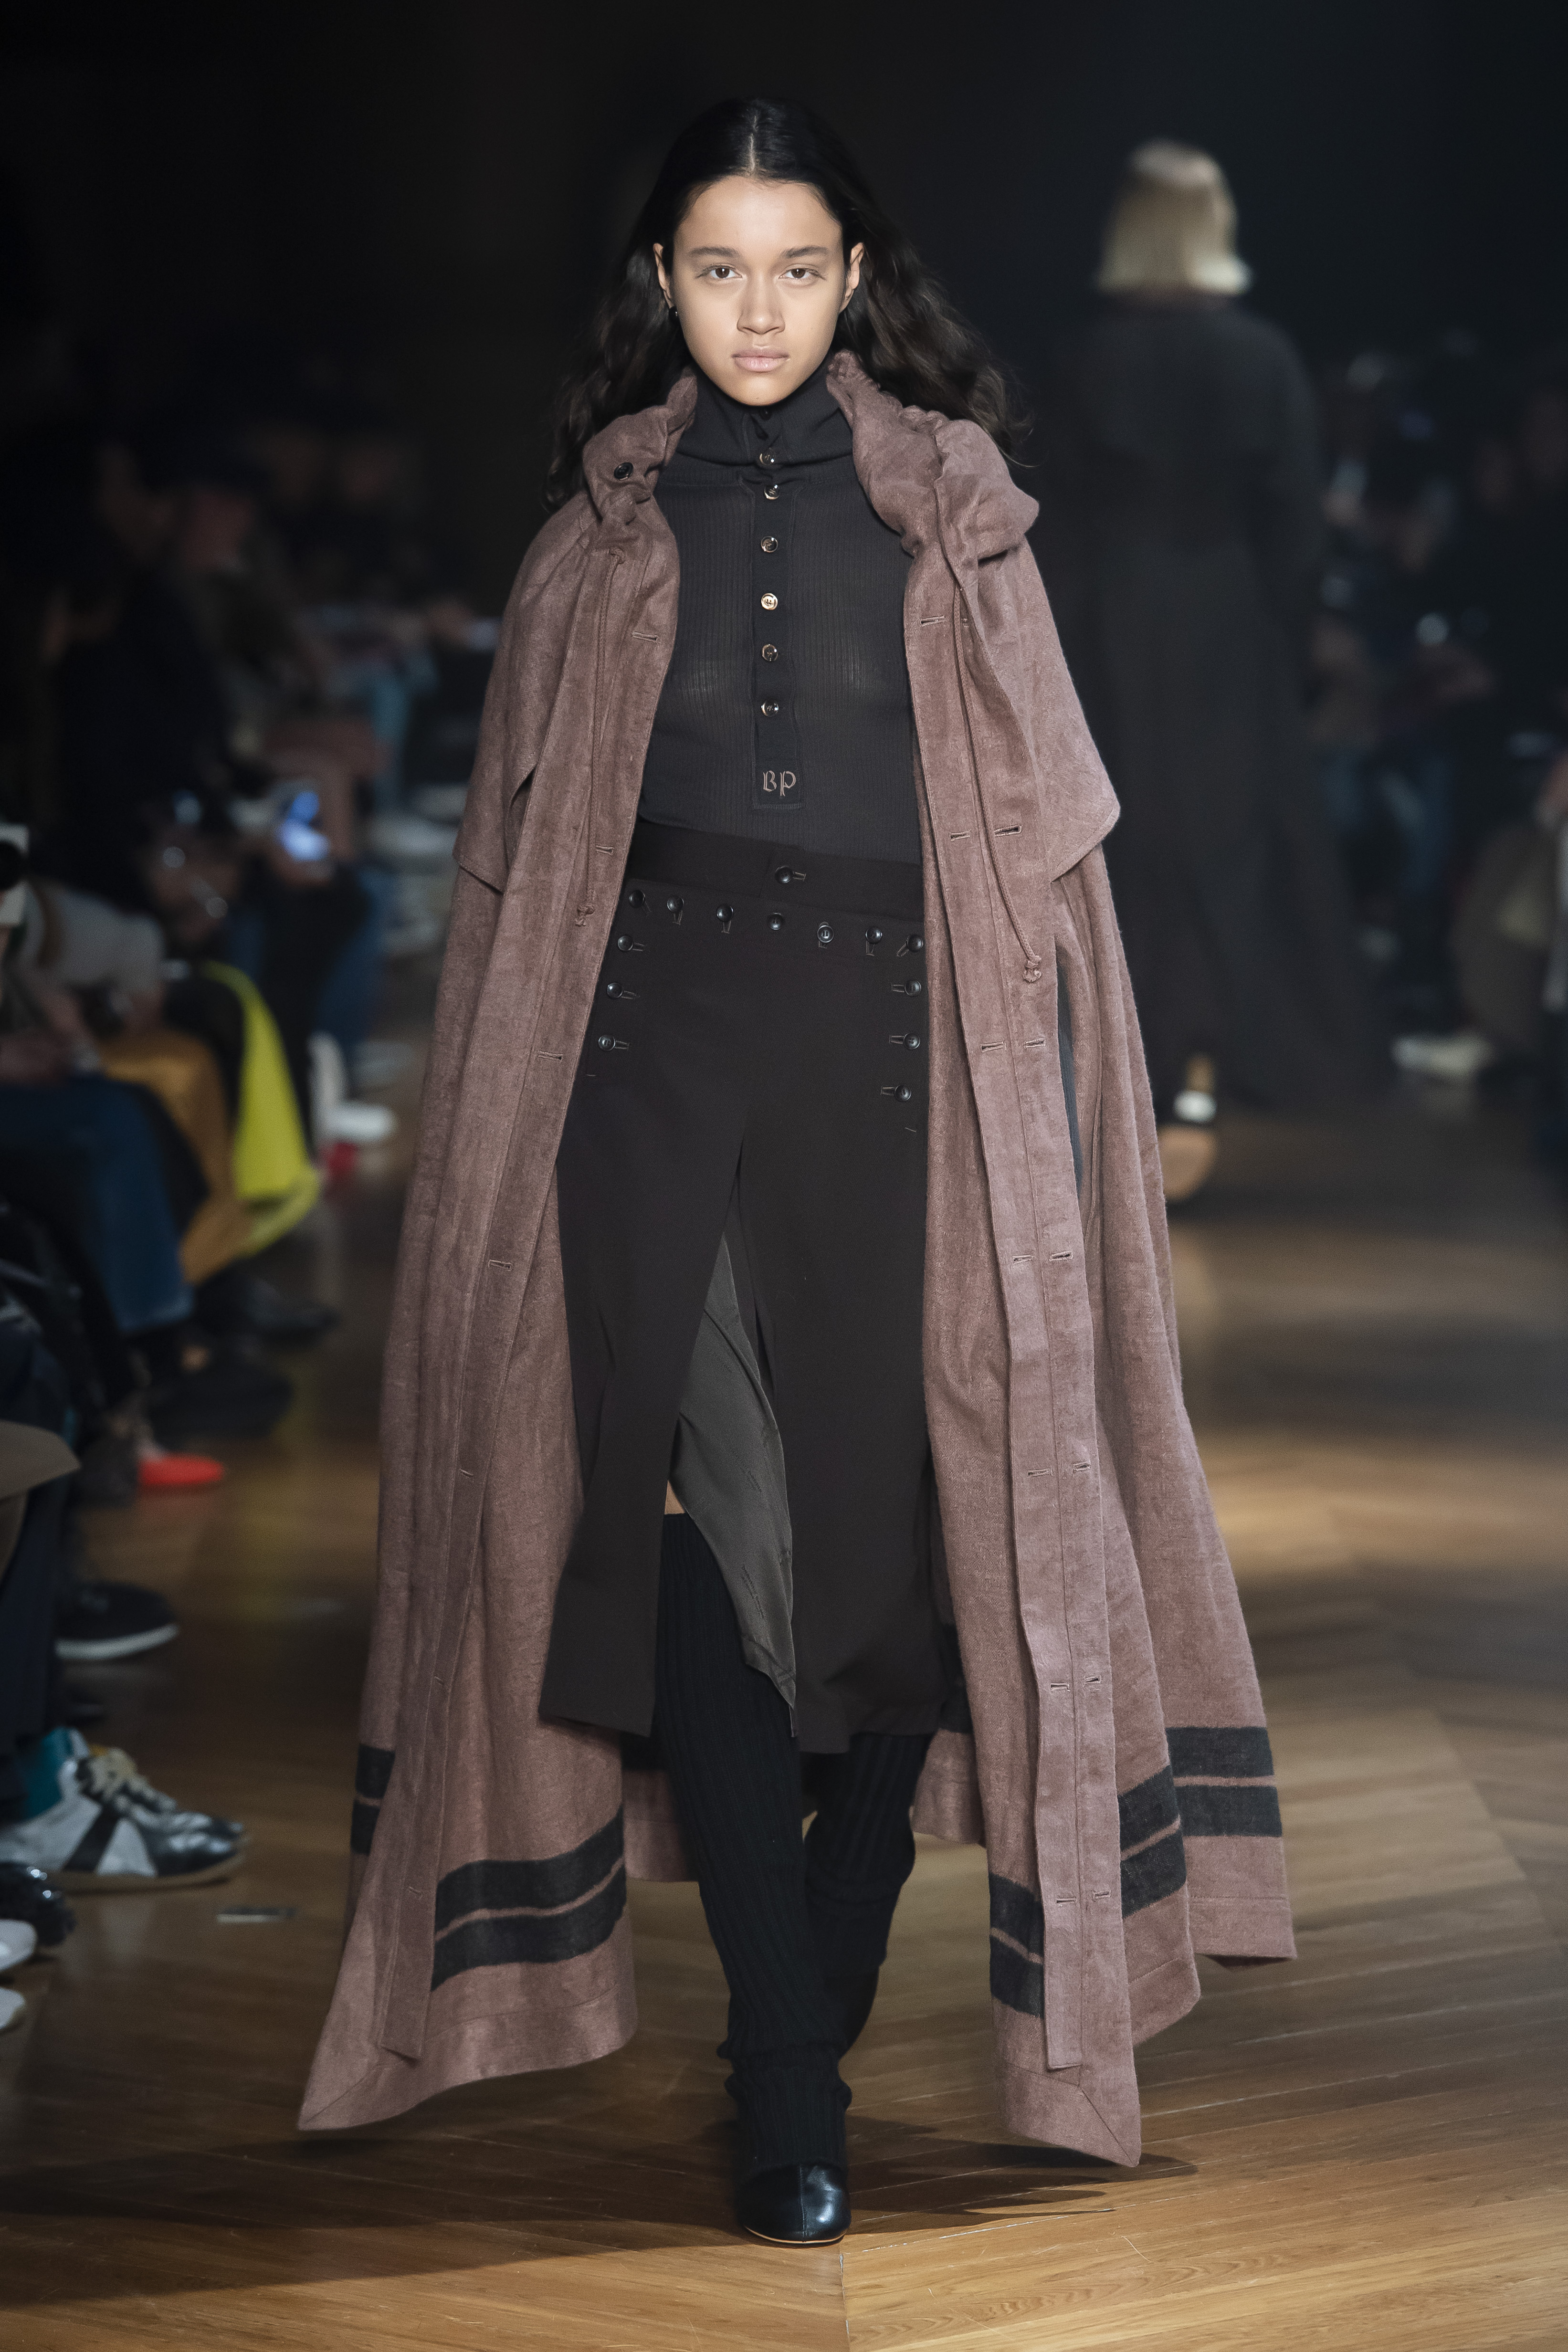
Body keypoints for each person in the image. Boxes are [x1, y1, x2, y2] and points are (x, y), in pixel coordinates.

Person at [302, 99, 1294, 2246]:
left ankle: (806, 1991)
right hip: (644, 1095)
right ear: (659, 282)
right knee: (687, 1552)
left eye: (794, 266)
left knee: (909, 1578)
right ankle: (784, 2080)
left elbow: (1052, 895)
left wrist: (1058, 1140)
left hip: (908, 1088)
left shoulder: (961, 528)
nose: (754, 310)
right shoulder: (590, 546)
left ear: (856, 280)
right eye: (713, 267)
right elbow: (516, 901)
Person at [1038, 142, 1384, 1197]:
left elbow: (1051, 513)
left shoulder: (1084, 357)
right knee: (1226, 843)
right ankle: (1199, 1072)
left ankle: (1124, 1075)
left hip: (1109, 618)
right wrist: (1286, 633)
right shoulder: (1261, 358)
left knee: (1122, 839)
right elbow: (1295, 519)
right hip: (1226, 619)